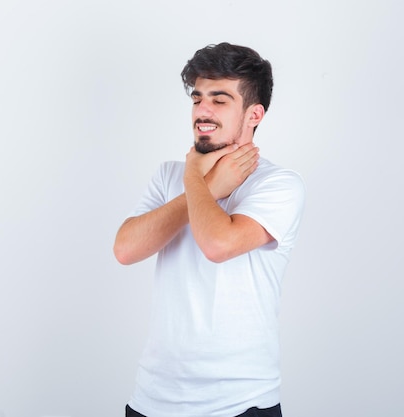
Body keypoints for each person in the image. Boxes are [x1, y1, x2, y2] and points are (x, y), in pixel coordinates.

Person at [113, 42, 305, 417]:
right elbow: (125, 249)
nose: (202, 110)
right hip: (151, 400)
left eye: (220, 100)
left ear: (254, 114)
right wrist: (197, 180)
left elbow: (218, 244)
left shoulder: (280, 184)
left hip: (239, 403)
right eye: (198, 97)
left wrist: (197, 180)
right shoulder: (169, 175)